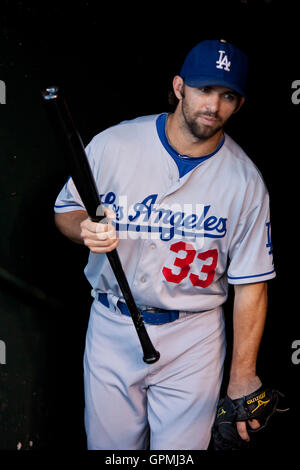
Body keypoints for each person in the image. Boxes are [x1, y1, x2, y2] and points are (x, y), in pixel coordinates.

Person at [54, 39, 276, 450]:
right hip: (112, 322)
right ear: (179, 87)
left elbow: (252, 284)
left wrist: (243, 373)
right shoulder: (115, 145)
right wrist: (83, 226)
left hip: (193, 337)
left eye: (228, 95)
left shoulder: (246, 183)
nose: (213, 105)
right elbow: (66, 209)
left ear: (239, 105)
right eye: (204, 89)